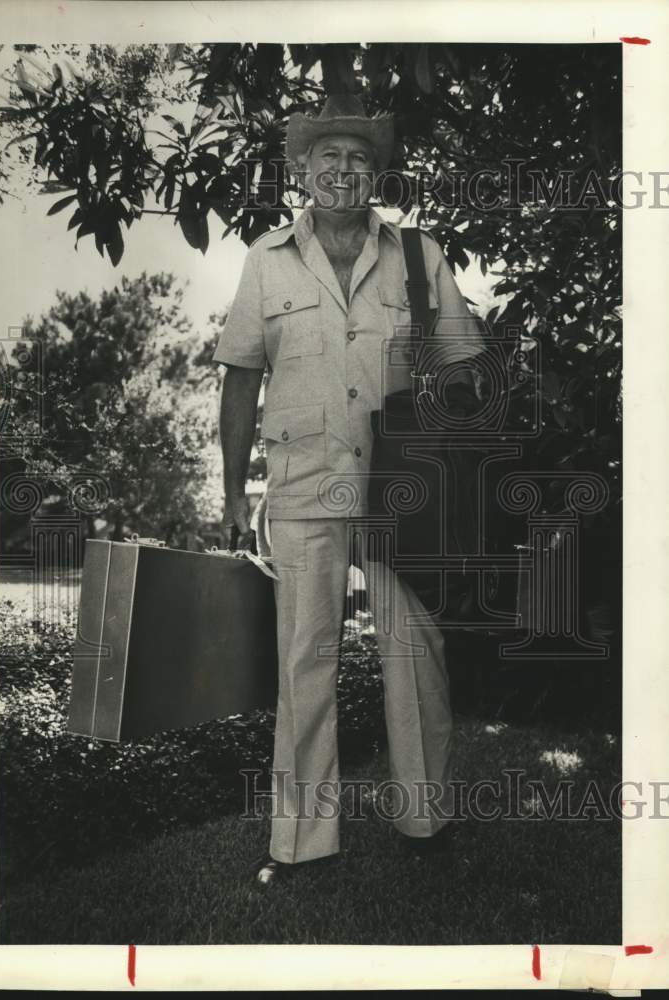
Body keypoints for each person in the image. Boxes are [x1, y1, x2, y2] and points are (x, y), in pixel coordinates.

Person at [212, 93, 486, 885]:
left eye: (358, 159)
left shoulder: (415, 254)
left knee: (415, 650)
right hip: (301, 481)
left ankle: (425, 823)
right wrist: (235, 492)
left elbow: (465, 365)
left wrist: (448, 452)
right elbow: (239, 381)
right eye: (327, 157)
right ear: (301, 171)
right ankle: (300, 844)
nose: (342, 170)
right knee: (305, 657)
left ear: (376, 175)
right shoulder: (266, 259)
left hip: (405, 488)